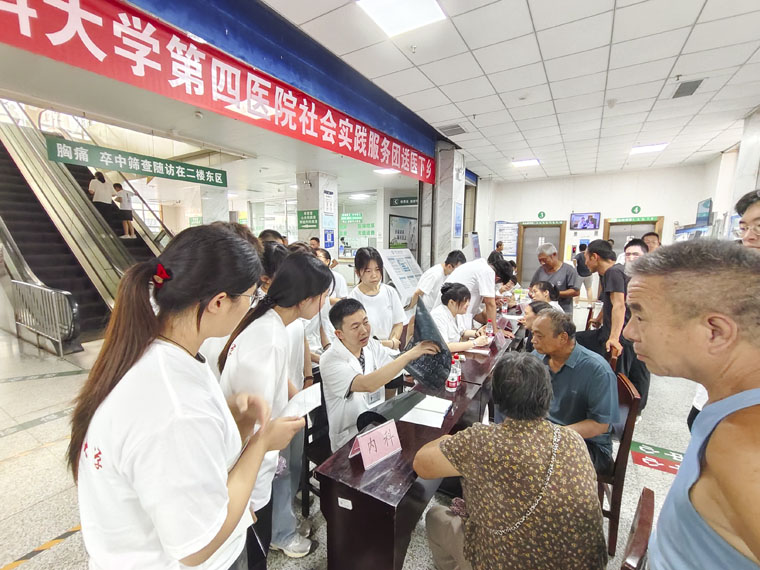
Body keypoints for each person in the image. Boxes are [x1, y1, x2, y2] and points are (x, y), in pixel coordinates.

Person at [67, 225, 305, 569]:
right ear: (219, 302)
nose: (252, 307)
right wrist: (262, 443)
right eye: (251, 297)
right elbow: (198, 546)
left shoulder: (159, 353)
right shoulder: (174, 405)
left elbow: (192, 454)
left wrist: (231, 416)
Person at [622, 240, 760, 569]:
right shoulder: (728, 407)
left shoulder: (742, 441)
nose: (629, 332)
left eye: (640, 316)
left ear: (715, 332)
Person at [414, 351, 608, 570]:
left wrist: (449, 440)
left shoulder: (483, 441)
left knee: (436, 516)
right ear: (547, 394)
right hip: (579, 563)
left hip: (504, 561)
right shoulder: (573, 439)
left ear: (497, 398)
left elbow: (421, 464)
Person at [218, 253, 333, 565]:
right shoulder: (268, 337)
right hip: (248, 473)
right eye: (323, 296)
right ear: (306, 300)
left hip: (252, 466)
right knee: (254, 554)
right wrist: (253, 491)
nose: (325, 302)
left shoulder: (270, 323)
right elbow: (254, 420)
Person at [320, 298, 439, 451]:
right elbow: (367, 384)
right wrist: (409, 355)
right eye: (355, 327)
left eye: (365, 322)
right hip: (349, 437)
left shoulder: (370, 345)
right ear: (339, 334)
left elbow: (395, 363)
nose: (364, 330)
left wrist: (413, 346)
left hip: (377, 426)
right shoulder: (330, 360)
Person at [530, 310, 618, 473]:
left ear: (563, 338)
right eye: (533, 334)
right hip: (547, 433)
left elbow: (600, 425)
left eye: (539, 336)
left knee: (532, 462)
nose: (533, 340)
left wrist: (552, 435)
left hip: (588, 444)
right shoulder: (537, 357)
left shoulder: (597, 370)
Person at [577, 239, 651, 410]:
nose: (585, 262)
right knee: (577, 339)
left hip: (620, 336)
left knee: (618, 377)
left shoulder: (613, 272)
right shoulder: (610, 273)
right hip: (613, 332)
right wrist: (599, 318)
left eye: (586, 258)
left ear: (594, 257)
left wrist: (614, 338)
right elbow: (609, 302)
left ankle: (618, 415)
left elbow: (619, 305)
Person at [442, 256, 513, 329]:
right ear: (497, 278)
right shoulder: (488, 272)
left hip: (456, 313)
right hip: (451, 316)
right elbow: (490, 304)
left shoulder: (479, 266)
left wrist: (494, 299)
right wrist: (495, 330)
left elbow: (483, 310)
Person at [430, 283, 490, 352]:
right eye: (465, 301)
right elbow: (446, 347)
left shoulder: (456, 312)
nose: (468, 304)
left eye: (468, 300)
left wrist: (476, 333)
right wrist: (474, 343)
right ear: (451, 302)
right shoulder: (438, 316)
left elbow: (462, 332)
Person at [529, 243, 580, 315]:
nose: (542, 263)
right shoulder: (540, 271)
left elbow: (576, 291)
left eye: (544, 260)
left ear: (554, 255)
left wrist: (554, 294)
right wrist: (532, 293)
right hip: (542, 311)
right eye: (540, 260)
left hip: (563, 311)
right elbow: (531, 287)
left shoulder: (569, 270)